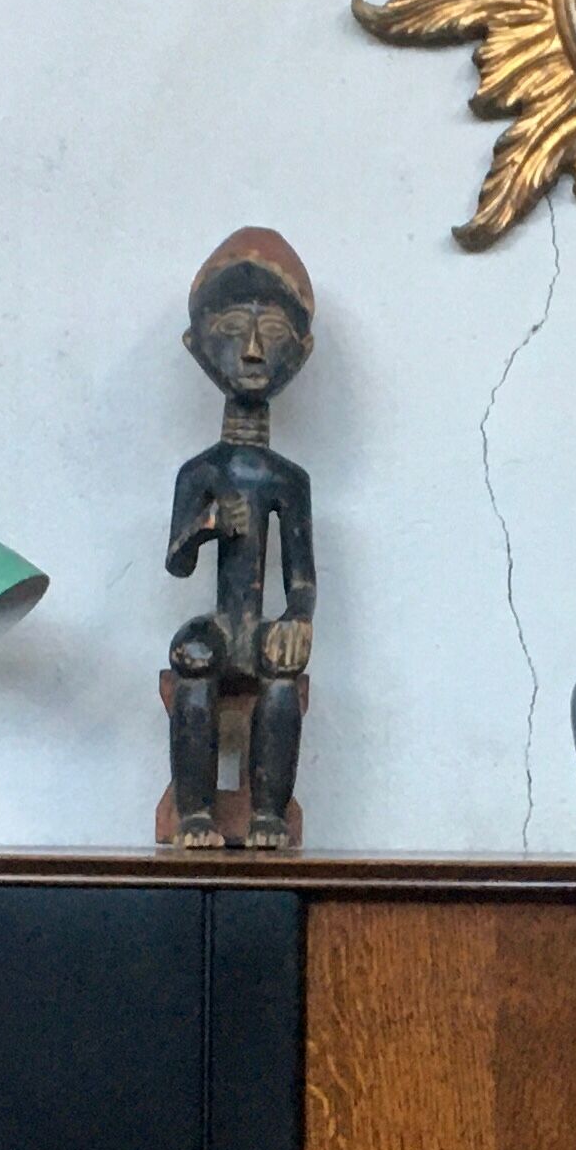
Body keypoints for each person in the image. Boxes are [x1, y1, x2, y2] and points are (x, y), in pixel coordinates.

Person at [161, 228, 319, 848]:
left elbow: (301, 578)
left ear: (299, 354)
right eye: (232, 330)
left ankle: (268, 816)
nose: (253, 351)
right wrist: (204, 528)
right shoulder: (200, 472)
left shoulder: (288, 480)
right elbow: (175, 561)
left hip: (261, 629)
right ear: (198, 349)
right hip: (219, 627)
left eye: (273, 334)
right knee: (192, 666)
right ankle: (194, 813)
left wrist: (298, 619)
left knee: (281, 683)